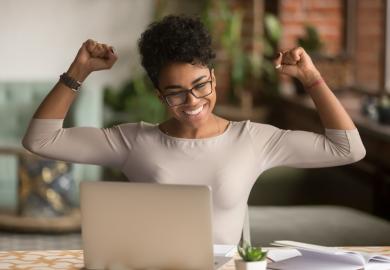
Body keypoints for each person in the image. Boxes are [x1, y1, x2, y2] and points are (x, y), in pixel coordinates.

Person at [22, 15, 366, 245]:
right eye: (175, 93)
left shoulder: (255, 139)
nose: (192, 101)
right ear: (159, 95)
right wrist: (78, 71)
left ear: (214, 77)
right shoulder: (133, 141)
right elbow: (40, 139)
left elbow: (348, 149)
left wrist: (311, 78)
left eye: (201, 85)